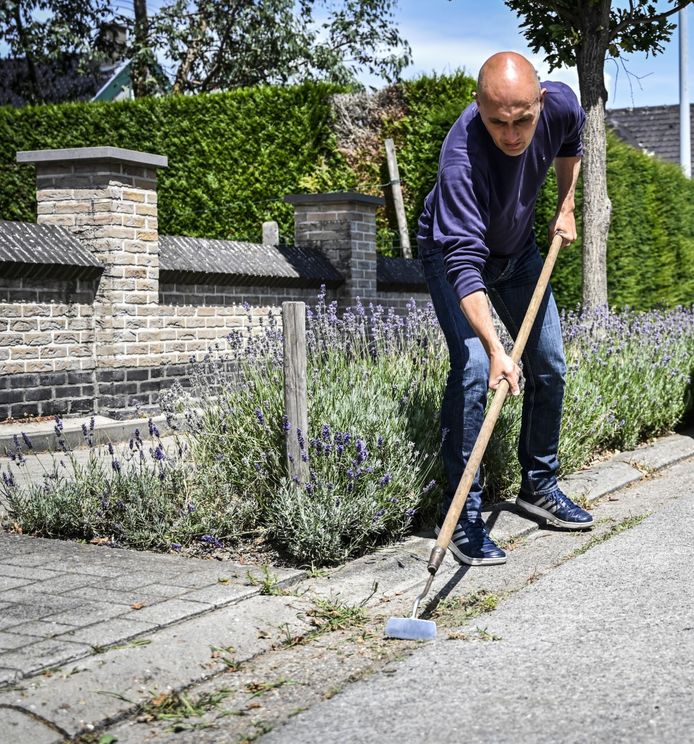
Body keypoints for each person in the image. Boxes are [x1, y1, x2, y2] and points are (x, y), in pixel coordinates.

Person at [417, 51, 594, 567]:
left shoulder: (560, 105)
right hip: (452, 255)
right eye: (498, 122)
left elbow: (571, 142)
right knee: (475, 367)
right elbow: (465, 267)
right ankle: (463, 514)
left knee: (550, 364)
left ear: (540, 102)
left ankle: (538, 484)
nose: (513, 135)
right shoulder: (460, 161)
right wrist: (496, 348)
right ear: (478, 106)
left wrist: (566, 205)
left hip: (518, 254)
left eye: (523, 120)